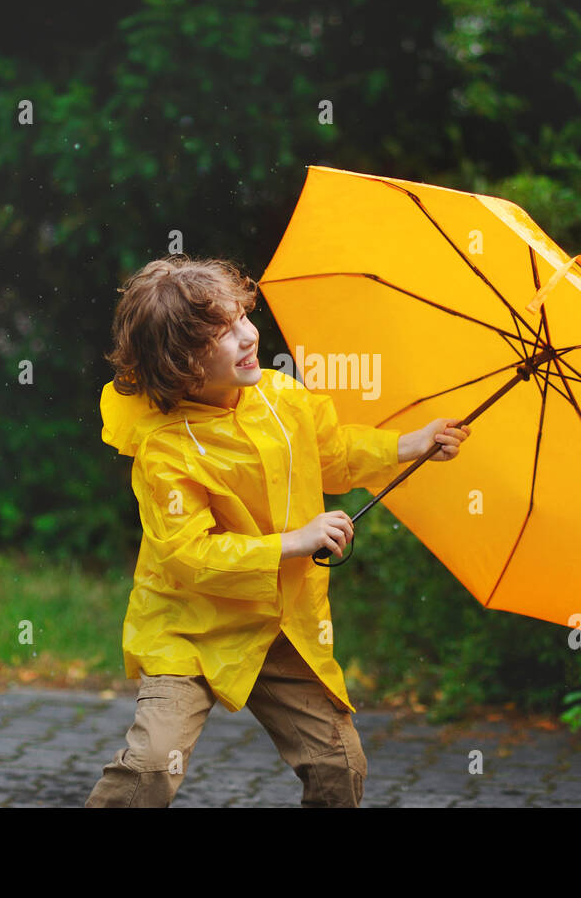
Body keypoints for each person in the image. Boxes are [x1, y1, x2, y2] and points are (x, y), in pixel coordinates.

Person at [85, 254, 469, 808]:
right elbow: (190, 555)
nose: (247, 335)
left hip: (279, 623)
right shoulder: (165, 448)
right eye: (224, 332)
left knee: (339, 765)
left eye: (243, 317)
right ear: (181, 362)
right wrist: (297, 541)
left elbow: (334, 456)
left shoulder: (282, 398)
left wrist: (414, 444)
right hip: (188, 628)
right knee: (151, 766)